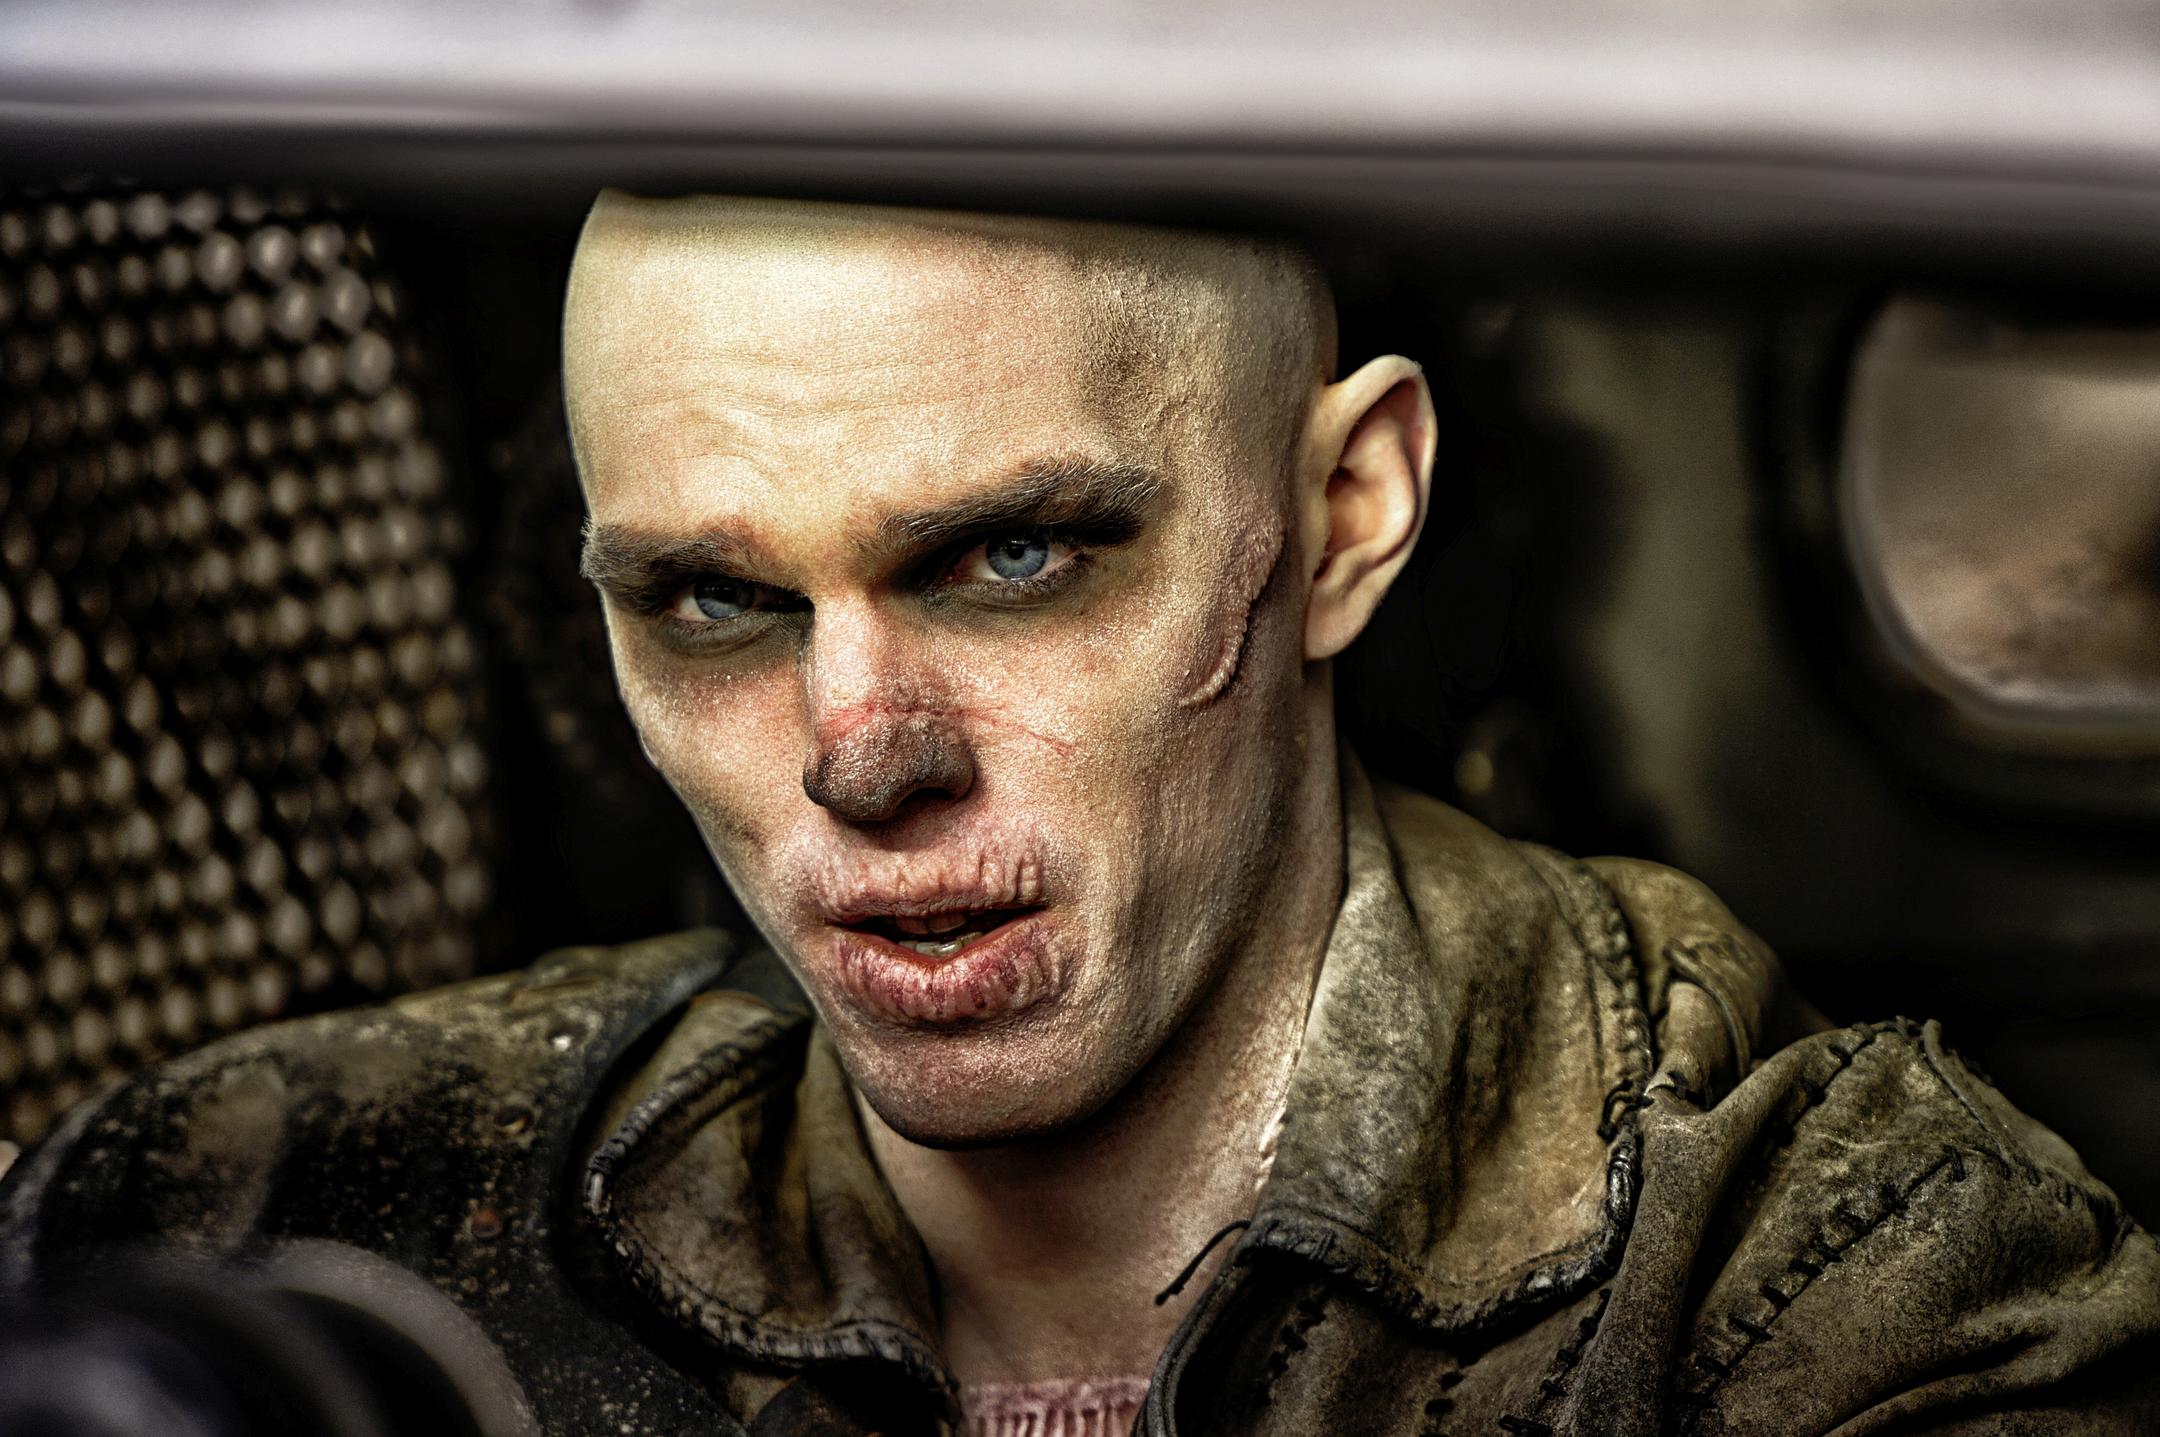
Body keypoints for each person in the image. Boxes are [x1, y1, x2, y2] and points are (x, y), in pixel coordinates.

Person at [4, 194, 2157, 1437]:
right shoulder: (260, 1210)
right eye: (716, 602)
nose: (859, 753)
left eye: (1011, 557)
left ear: (1345, 513)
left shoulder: (1842, 1295)